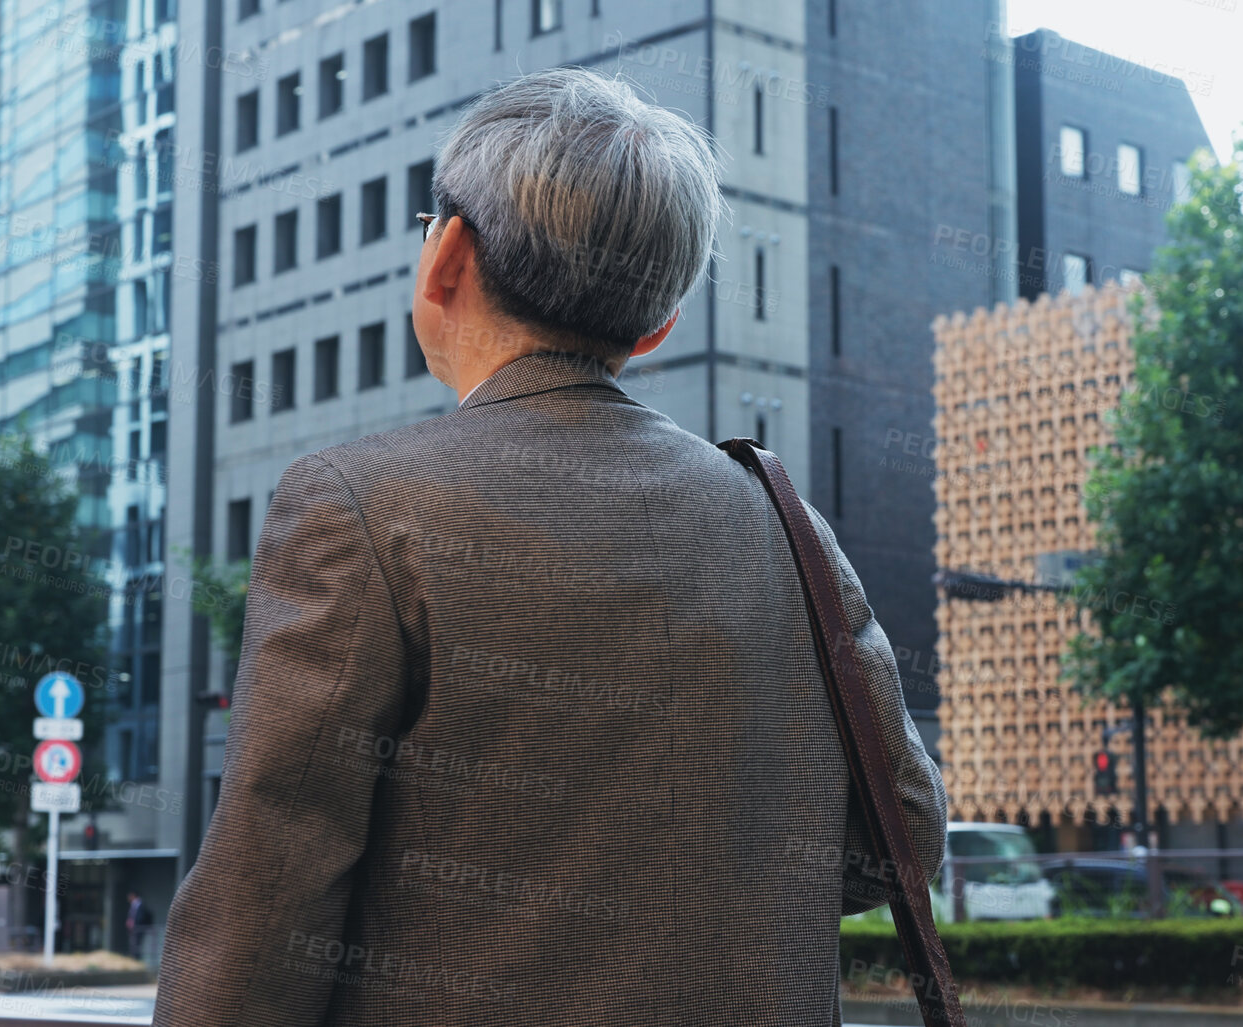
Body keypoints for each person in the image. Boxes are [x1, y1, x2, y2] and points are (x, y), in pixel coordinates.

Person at [152, 67, 947, 1026]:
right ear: (657, 325)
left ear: (444, 257)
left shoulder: (361, 507)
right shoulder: (784, 524)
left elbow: (265, 895)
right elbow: (896, 838)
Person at [124, 890, 152, 960]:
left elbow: (142, 917)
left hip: (139, 928)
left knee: (137, 945)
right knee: (134, 944)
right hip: (133, 929)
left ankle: (136, 959)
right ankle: (134, 958)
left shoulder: (141, 905)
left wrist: (135, 923)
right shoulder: (133, 905)